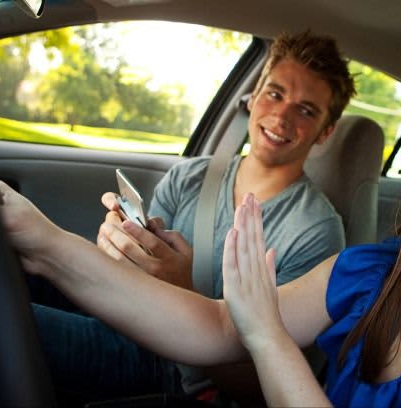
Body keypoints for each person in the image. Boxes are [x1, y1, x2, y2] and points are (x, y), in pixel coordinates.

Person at [0, 48, 401, 407]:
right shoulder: (373, 270)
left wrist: (268, 337)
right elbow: (219, 327)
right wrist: (47, 243)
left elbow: (251, 334)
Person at [30, 30, 355, 404]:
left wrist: (183, 288)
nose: (281, 116)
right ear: (253, 97)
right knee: (5, 272)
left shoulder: (316, 231)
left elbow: (263, 381)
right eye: (275, 94)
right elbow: (133, 279)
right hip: (125, 312)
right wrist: (118, 247)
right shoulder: (191, 176)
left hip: (178, 372)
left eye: (306, 110)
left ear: (324, 133)